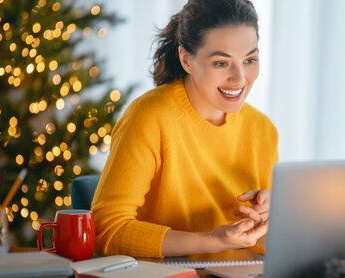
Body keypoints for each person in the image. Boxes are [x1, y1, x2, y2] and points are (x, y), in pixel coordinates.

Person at [91, 0, 278, 258]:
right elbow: (108, 230)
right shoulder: (149, 117)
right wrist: (210, 241)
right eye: (221, 63)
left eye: (250, 60)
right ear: (187, 60)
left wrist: (269, 217)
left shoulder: (263, 130)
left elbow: (263, 243)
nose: (240, 78)